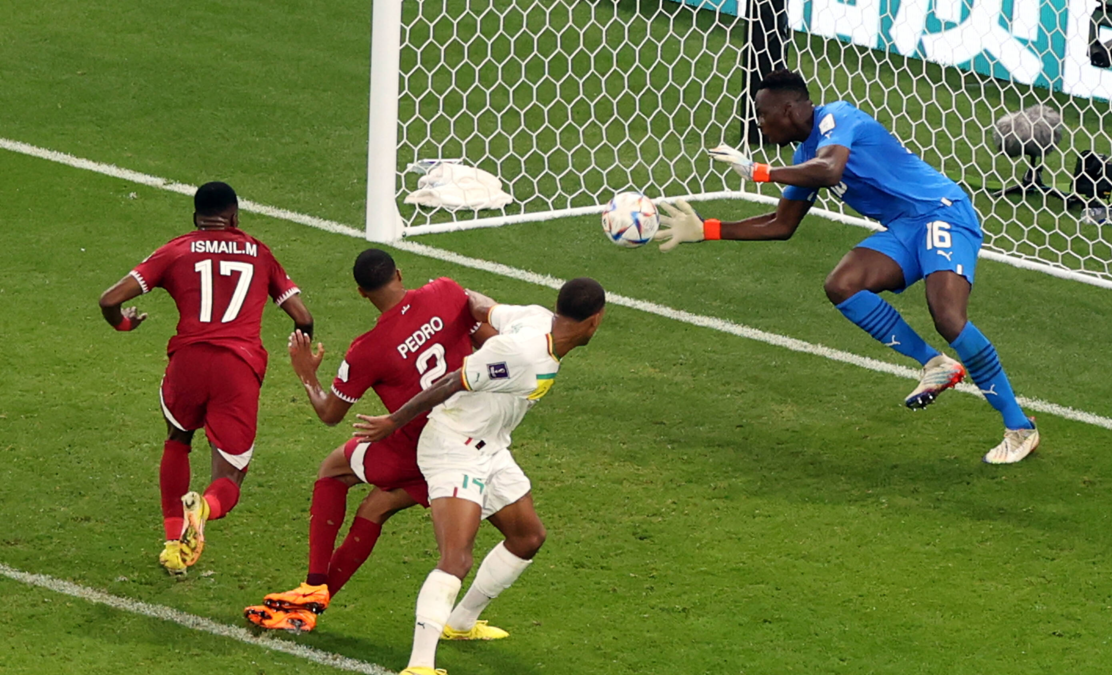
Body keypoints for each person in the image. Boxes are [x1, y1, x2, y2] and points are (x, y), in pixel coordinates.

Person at [655, 68, 1038, 464]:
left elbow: (830, 169)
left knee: (948, 317)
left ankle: (1020, 427)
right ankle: (934, 363)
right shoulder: (804, 157)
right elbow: (781, 224)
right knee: (843, 284)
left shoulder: (837, 117)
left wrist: (759, 172)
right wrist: (707, 229)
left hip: (941, 212)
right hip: (905, 227)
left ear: (788, 110)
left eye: (763, 115)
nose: (759, 124)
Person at [353, 277, 606, 675]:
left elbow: (481, 306)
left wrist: (454, 295)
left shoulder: (535, 318)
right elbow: (452, 380)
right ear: (596, 320)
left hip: (491, 446)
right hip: (453, 446)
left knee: (527, 537)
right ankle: (419, 666)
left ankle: (460, 622)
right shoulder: (523, 353)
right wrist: (394, 421)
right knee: (456, 558)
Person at [244, 248, 498, 633]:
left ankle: (313, 585)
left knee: (334, 468)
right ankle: (309, 609)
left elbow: (330, 414)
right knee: (377, 508)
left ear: (361, 293)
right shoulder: (446, 290)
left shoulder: (368, 349)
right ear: (399, 273)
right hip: (474, 439)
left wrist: (307, 374)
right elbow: (489, 343)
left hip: (420, 447)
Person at [98, 181, 314, 576]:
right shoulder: (259, 252)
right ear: (234, 217)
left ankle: (172, 545)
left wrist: (124, 325)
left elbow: (110, 299)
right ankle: (204, 509)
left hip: (189, 363)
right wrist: (303, 355)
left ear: (196, 217)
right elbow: (303, 317)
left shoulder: (176, 249)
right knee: (229, 476)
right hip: (238, 368)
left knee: (177, 439)